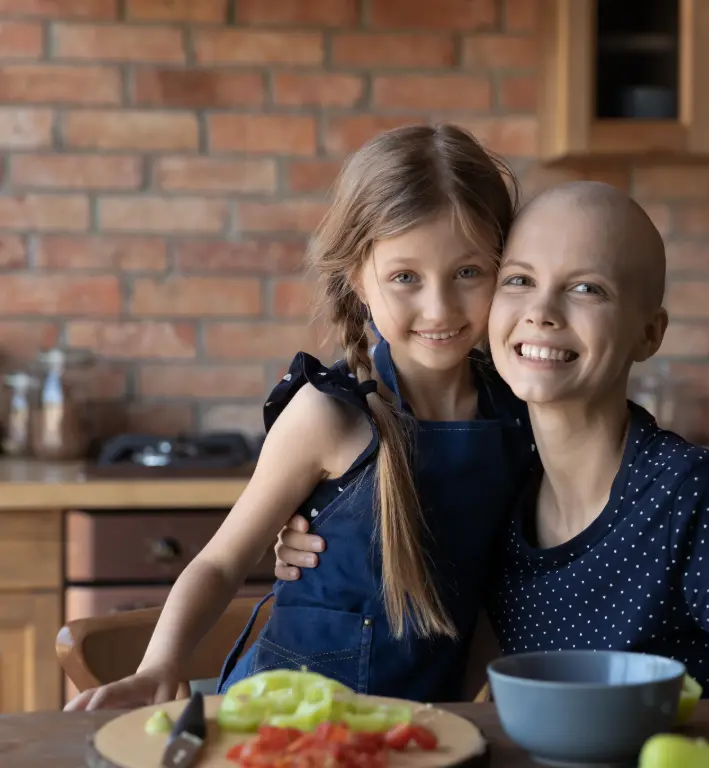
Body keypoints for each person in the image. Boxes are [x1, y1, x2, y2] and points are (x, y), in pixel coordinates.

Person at [277, 181, 709, 700]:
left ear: (649, 334)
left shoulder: (692, 498)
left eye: (586, 288)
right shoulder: (504, 497)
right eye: (518, 280)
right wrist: (330, 533)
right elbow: (455, 699)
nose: (542, 311)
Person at [64, 123, 534, 711]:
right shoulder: (328, 415)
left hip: (423, 734)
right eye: (405, 278)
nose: (438, 307)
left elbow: (496, 597)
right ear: (358, 280)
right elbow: (220, 560)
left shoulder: (521, 418)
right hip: (282, 728)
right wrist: (160, 666)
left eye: (468, 272)